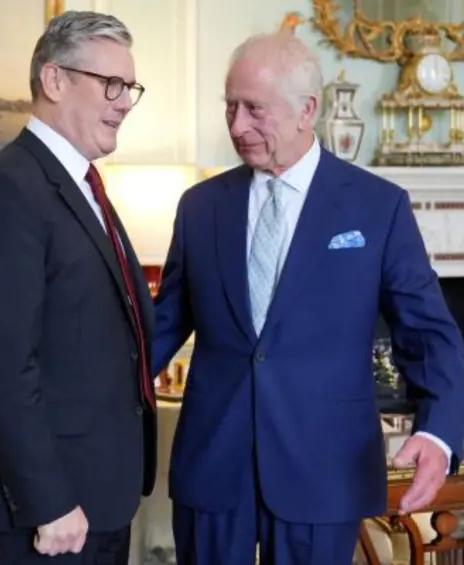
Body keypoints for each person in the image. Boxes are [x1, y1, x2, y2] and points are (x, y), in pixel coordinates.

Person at [152, 31, 464, 565]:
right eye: (230, 107)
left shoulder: (377, 208)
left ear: (307, 111)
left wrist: (438, 434)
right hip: (214, 464)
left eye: (254, 109)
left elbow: (428, 332)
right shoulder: (200, 207)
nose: (237, 125)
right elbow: (161, 327)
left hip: (325, 467)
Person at [0, 10, 157, 565]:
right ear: (54, 80)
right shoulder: (6, 190)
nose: (124, 101)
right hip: (48, 511)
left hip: (99, 497)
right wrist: (49, 501)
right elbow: (1, 366)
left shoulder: (81, 185)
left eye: (129, 87)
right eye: (111, 84)